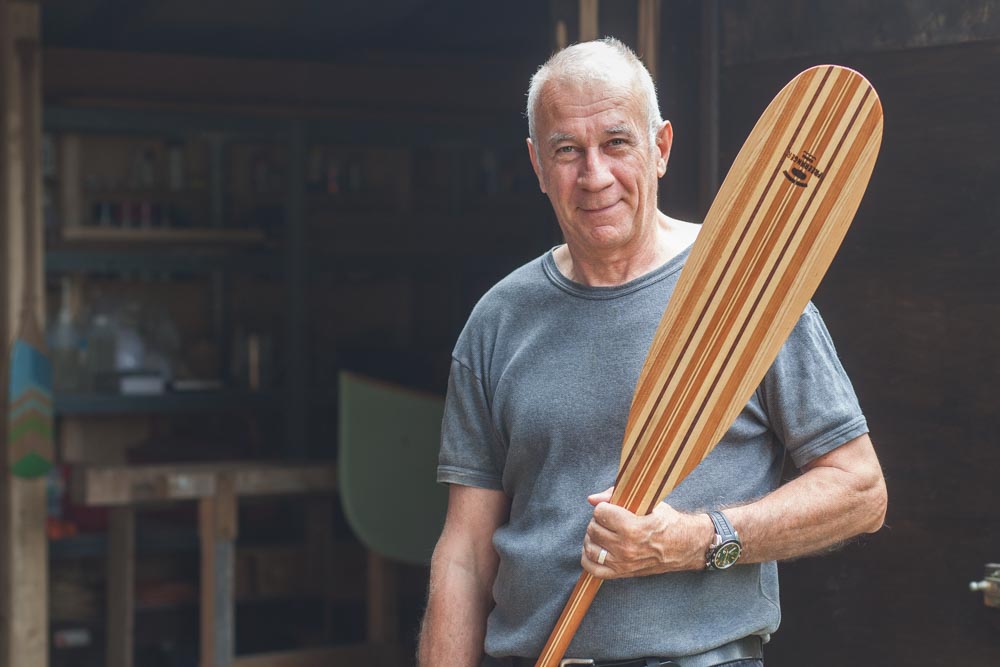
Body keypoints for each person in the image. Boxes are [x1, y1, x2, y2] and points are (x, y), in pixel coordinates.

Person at [418, 38, 887, 667]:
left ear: (660, 147)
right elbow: (465, 553)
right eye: (566, 150)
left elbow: (860, 492)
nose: (594, 175)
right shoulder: (498, 321)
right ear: (536, 164)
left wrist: (696, 539)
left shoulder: (750, 292)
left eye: (617, 142)